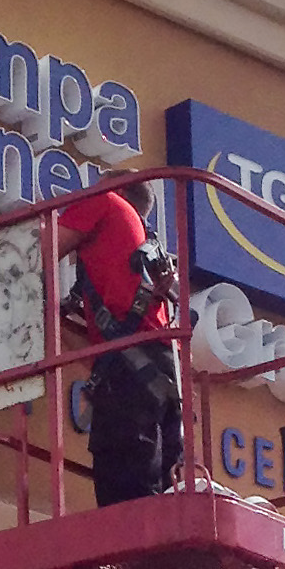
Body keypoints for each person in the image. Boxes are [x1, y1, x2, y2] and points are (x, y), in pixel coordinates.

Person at [59, 182, 183, 505]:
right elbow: (110, 351)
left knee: (124, 504)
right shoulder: (141, 247)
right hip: (159, 374)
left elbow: (31, 256)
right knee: (159, 501)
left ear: (119, 189)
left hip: (131, 382)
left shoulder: (105, 199)